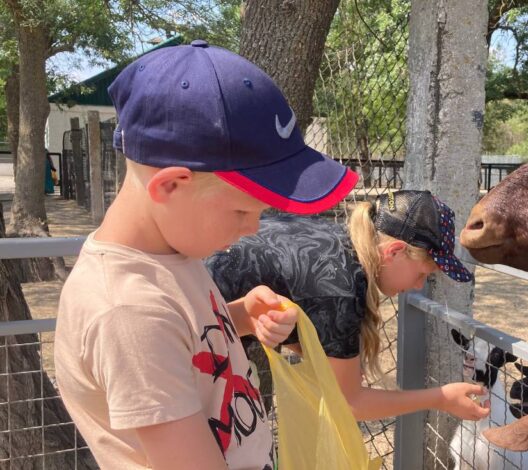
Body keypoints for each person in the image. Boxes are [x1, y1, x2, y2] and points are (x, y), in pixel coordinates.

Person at [54, 39, 358, 470]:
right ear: (171, 186)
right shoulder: (127, 313)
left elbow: (179, 338)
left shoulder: (169, 254)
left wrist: (241, 316)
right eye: (241, 210)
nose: (253, 228)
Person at [206, 190, 490, 422]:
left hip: (199, 312)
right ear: (394, 251)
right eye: (422, 275)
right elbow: (349, 404)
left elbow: (302, 300)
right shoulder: (341, 287)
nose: (417, 286)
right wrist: (440, 398)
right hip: (197, 346)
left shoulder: (332, 238)